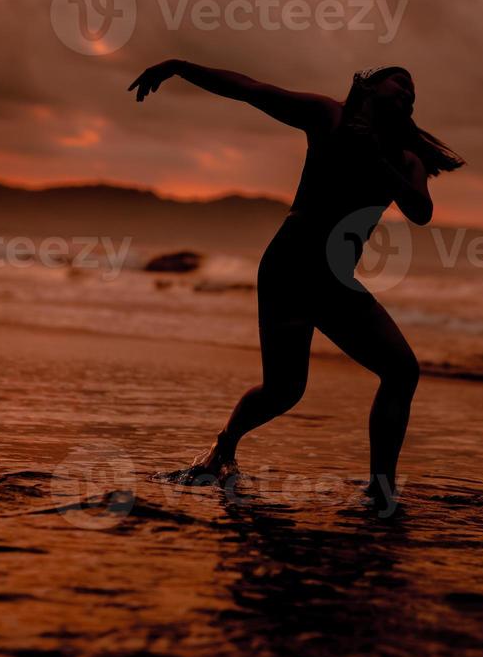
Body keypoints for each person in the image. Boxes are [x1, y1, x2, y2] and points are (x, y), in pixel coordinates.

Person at [128, 60, 464, 508]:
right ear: (369, 84)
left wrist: (377, 158)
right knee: (284, 390)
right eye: (399, 83)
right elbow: (252, 87)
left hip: (333, 279)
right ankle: (223, 446)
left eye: (413, 93)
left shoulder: (405, 160)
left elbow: (421, 211)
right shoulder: (329, 116)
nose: (407, 93)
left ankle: (381, 488)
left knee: (399, 371)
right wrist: (179, 68)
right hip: (290, 264)